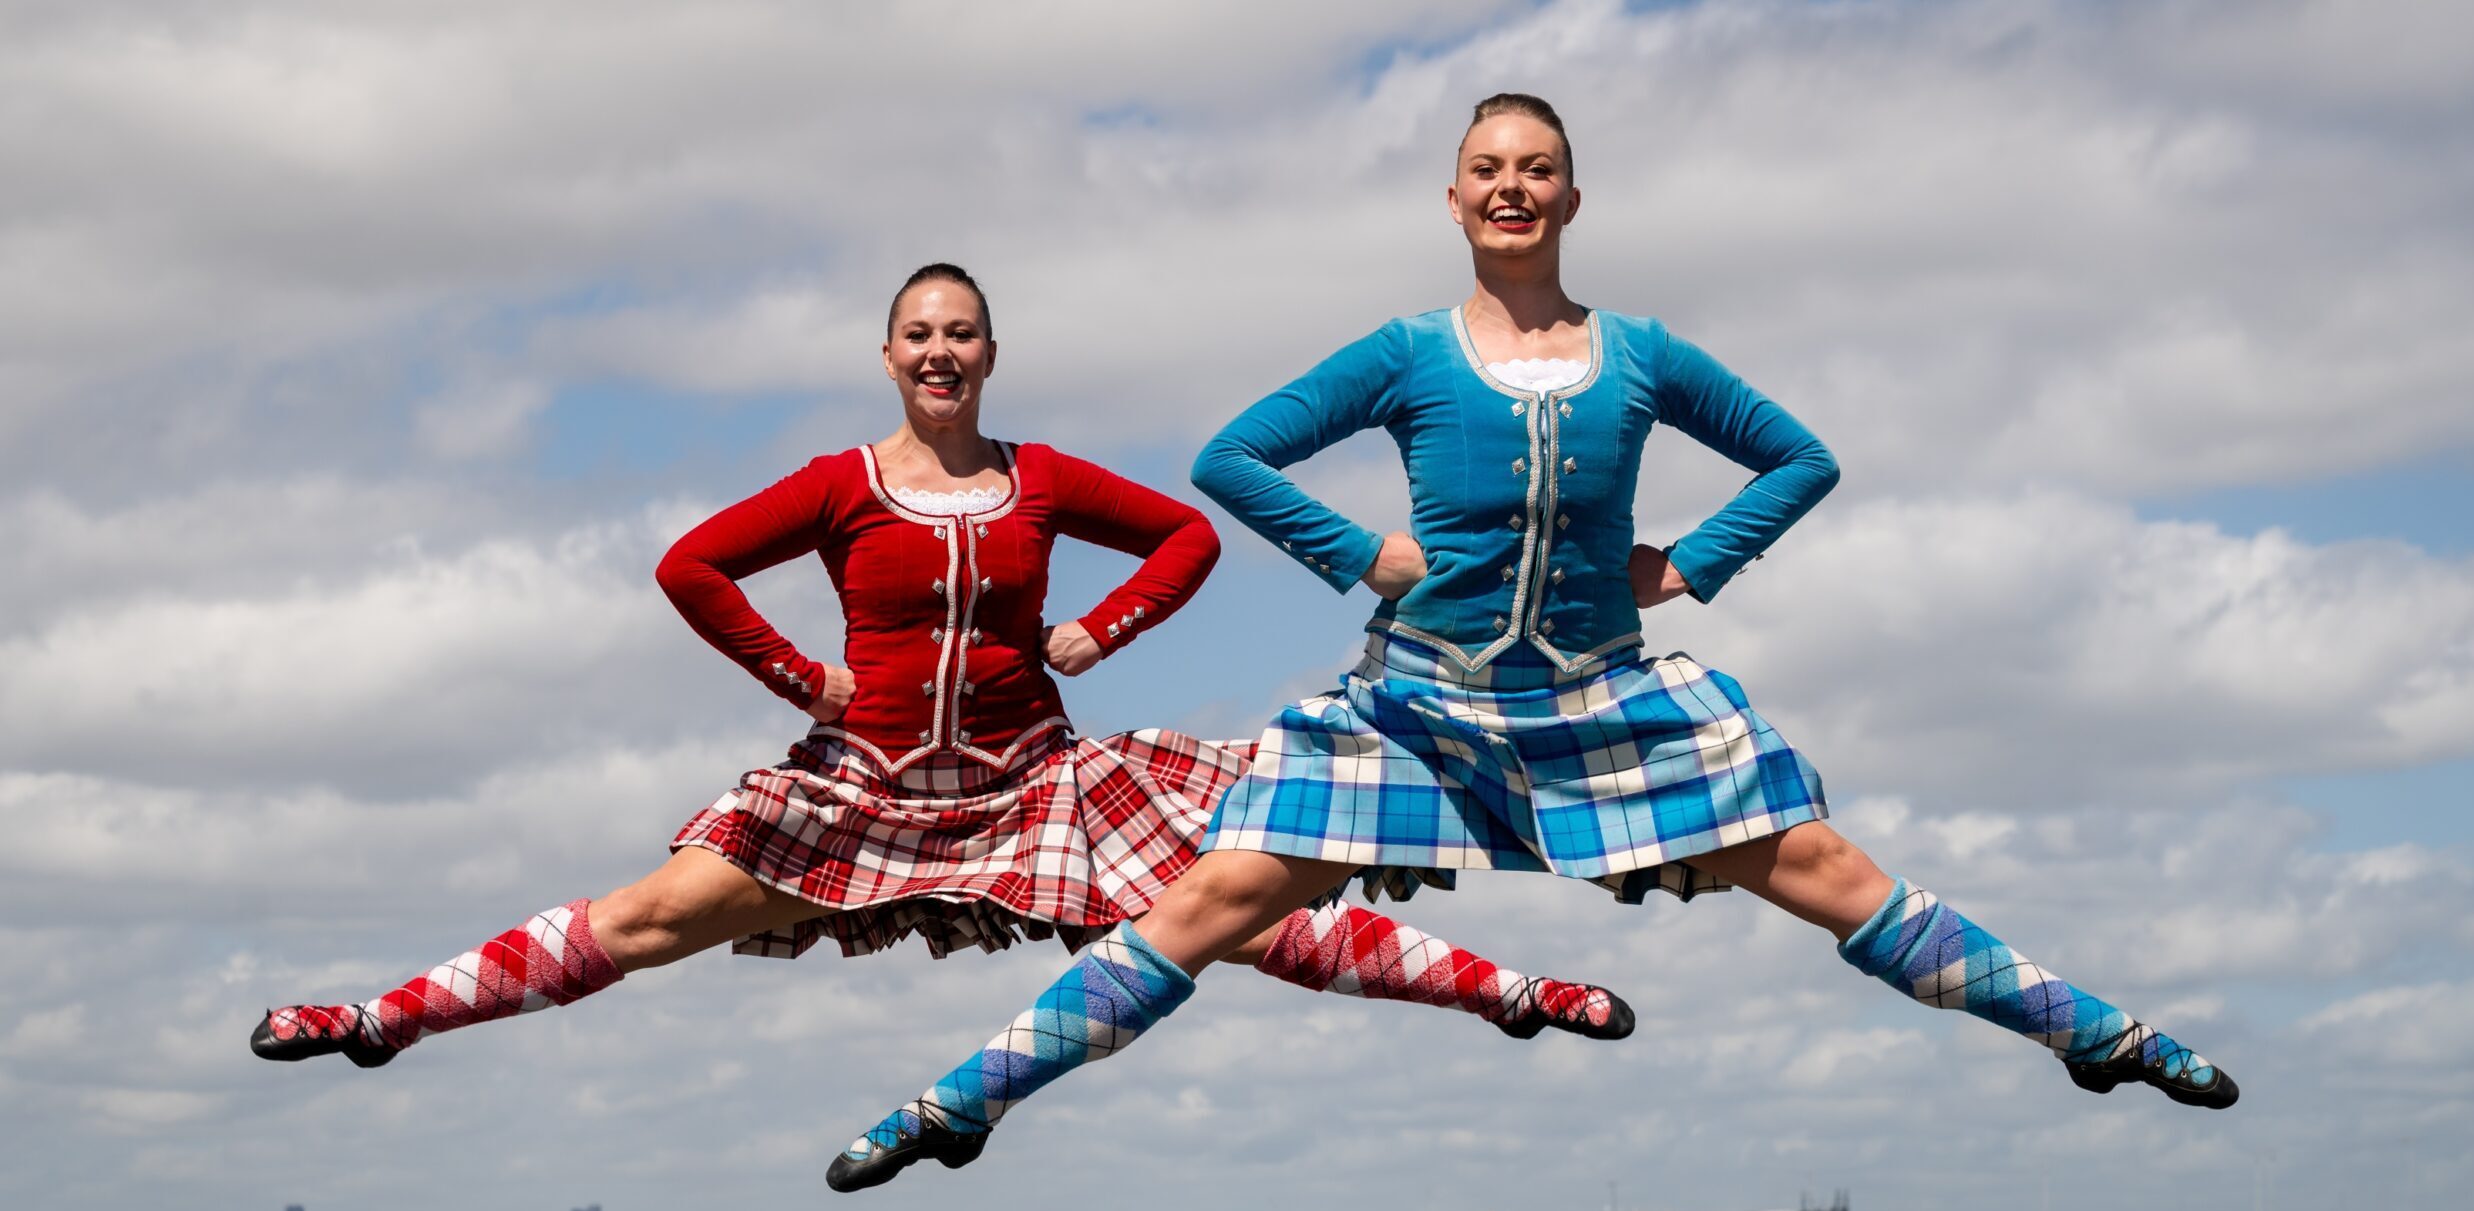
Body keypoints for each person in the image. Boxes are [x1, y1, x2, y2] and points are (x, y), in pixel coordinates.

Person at [834, 97, 2236, 1193]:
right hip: (1418, 707)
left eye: (1537, 168)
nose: (1512, 187)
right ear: (1454, 201)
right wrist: (1355, 552)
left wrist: (1689, 563)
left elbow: (1798, 460)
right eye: (1487, 170)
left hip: (1606, 701)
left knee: (1828, 870)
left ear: (1570, 196)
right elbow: (1234, 456)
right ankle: (963, 1103)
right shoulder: (1405, 352)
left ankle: (2091, 1037)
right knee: (1214, 904)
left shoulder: (1641, 355)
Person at [249, 264, 1633, 1138]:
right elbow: (693, 564)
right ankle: (380, 1018)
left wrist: (1101, 627)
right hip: (864, 788)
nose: (940, 351)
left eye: (962, 331)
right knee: (651, 916)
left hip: (1037, 783)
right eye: (918, 332)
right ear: (890, 353)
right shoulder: (842, 482)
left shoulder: (1039, 478)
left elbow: (1190, 534)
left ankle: (1519, 992)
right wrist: (802, 678)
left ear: (988, 352)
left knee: (1243, 913)